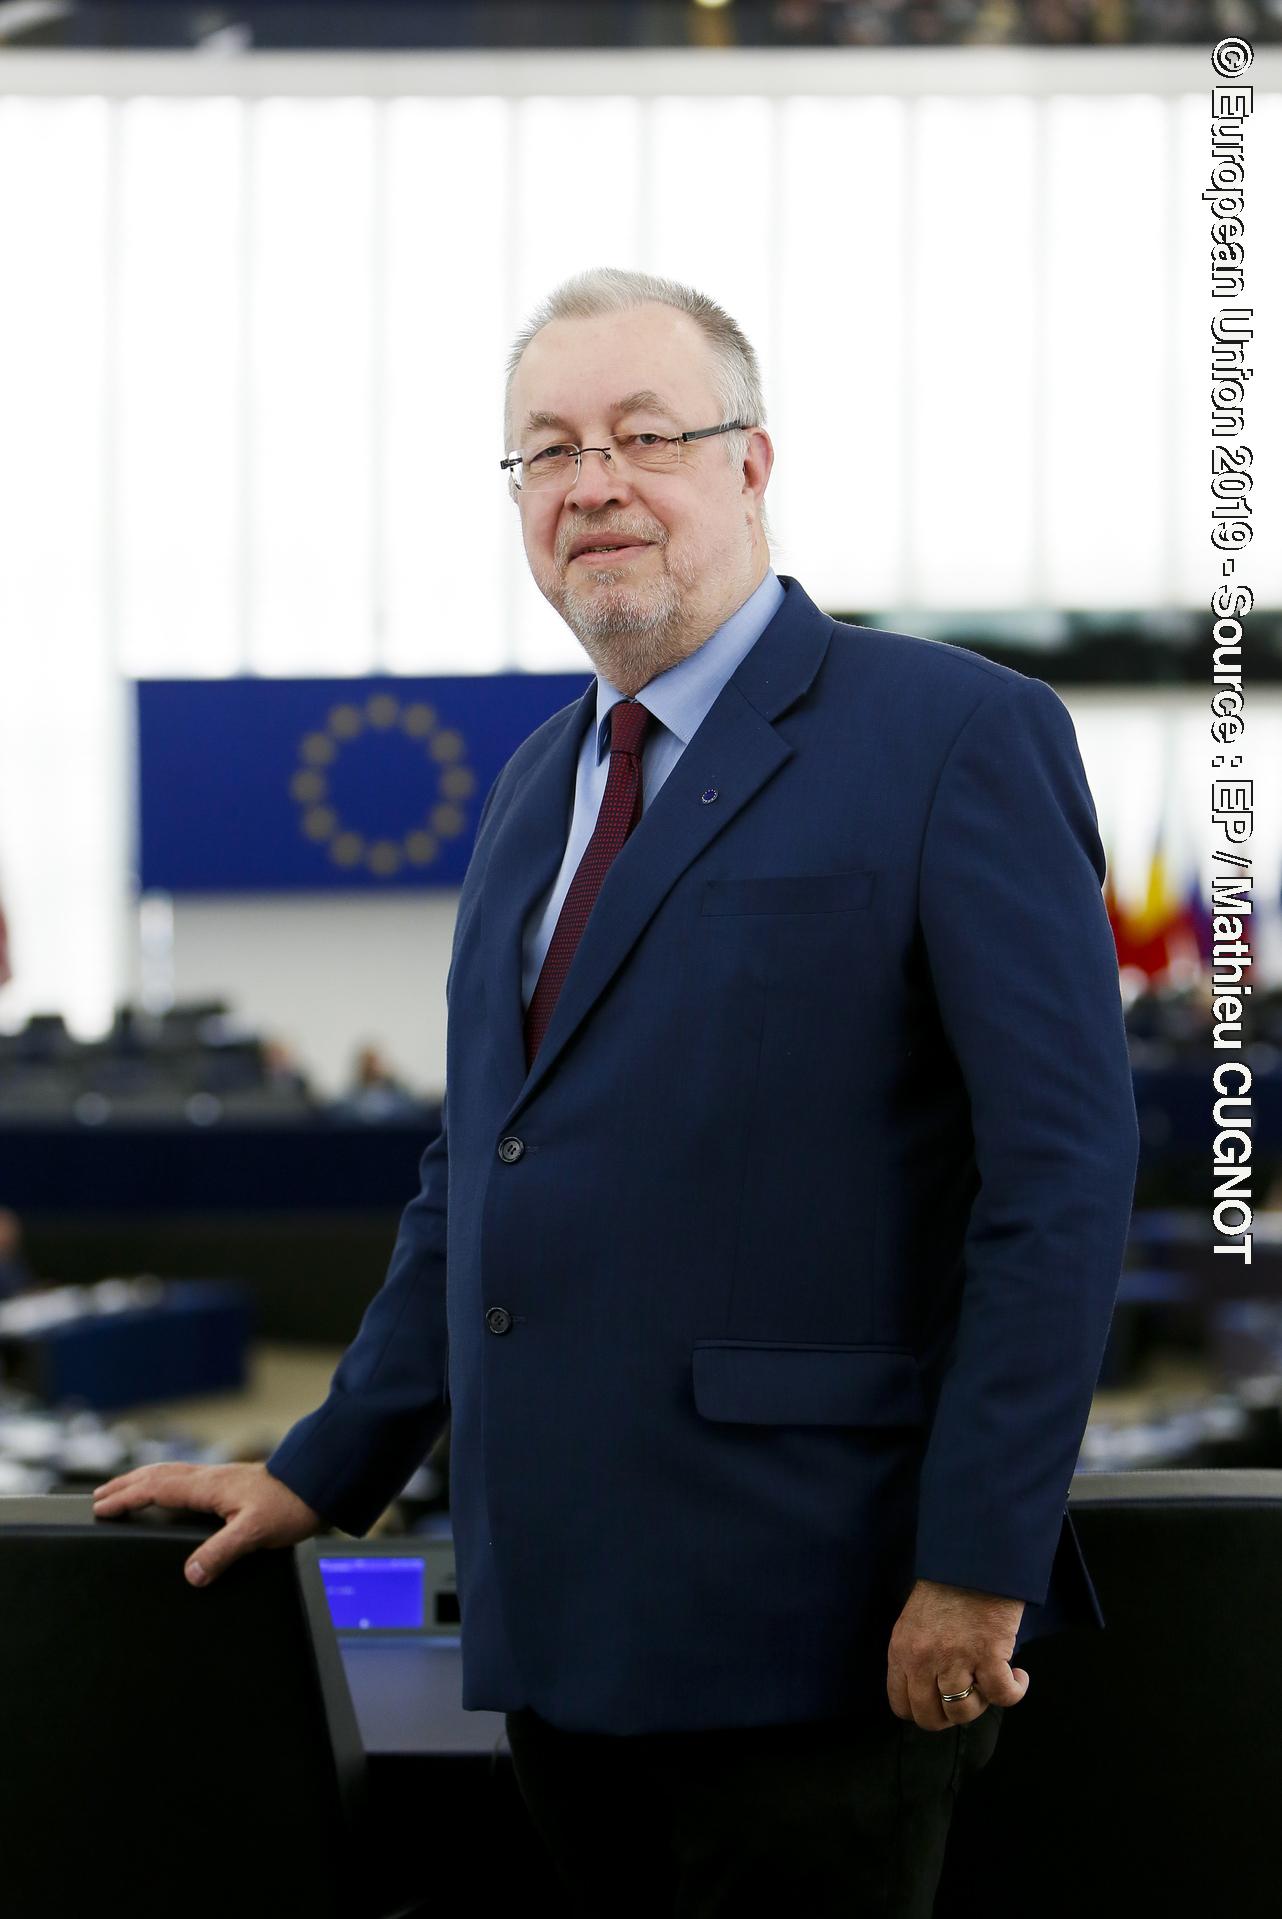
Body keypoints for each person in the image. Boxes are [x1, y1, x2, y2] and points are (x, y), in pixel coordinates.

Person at [94, 266, 1140, 1916]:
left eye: (644, 435)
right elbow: (482, 1169)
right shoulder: (532, 787)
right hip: (560, 1633)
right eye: (547, 449)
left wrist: (974, 1565)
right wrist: (321, 1466)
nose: (592, 483)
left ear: (750, 463)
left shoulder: (953, 736)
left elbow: (1061, 1178)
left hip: (831, 1622)